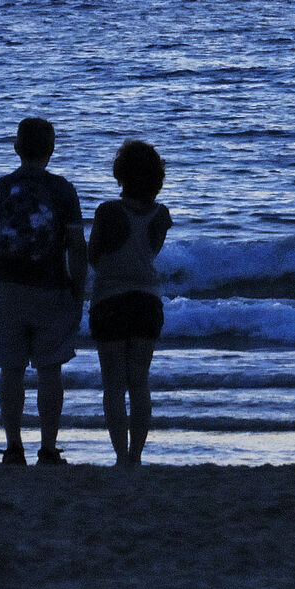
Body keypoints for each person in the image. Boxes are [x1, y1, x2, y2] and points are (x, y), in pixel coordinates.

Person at [0, 116, 86, 466]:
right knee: (50, 370)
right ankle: (49, 447)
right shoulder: (63, 190)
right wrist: (79, 290)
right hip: (51, 288)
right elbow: (76, 246)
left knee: (11, 370)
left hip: (5, 287)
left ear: (16, 147)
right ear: (51, 149)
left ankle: (13, 446)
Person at [89, 138, 173, 467]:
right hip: (147, 301)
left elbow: (94, 253)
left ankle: (120, 456)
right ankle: (136, 455)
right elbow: (149, 253)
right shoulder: (160, 214)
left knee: (113, 385)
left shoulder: (108, 211)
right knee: (139, 380)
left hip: (109, 300)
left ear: (120, 173)